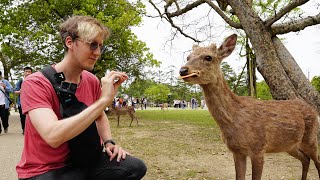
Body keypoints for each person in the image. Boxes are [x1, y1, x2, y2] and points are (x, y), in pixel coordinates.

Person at [16, 15, 147, 180]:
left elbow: (100, 117)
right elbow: (53, 136)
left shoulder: (91, 80)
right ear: (69, 42)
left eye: (101, 46)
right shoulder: (35, 83)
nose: (98, 53)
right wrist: (104, 101)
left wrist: (108, 142)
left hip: (83, 161)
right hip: (46, 169)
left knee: (134, 168)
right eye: (92, 45)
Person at [14, 66, 33, 135]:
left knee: (32, 117)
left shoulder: (34, 80)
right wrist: (21, 90)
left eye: (29, 72)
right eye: (26, 72)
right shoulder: (21, 80)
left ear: (31, 73)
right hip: (22, 102)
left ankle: (31, 131)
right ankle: (24, 130)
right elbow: (15, 91)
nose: (27, 73)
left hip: (32, 102)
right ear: (23, 73)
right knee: (23, 117)